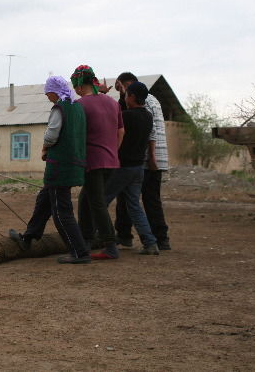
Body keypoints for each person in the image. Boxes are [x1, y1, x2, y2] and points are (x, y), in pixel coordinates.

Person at [10, 76, 90, 264]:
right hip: (73, 163)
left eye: (47, 92)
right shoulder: (78, 107)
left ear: (54, 90)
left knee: (62, 212)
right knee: (44, 200)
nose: (47, 96)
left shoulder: (59, 108)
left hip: (60, 166)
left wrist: (45, 147)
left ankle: (79, 252)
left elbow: (52, 134)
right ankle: (28, 238)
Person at [72, 65, 124, 260]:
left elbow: (76, 136)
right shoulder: (112, 103)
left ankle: (110, 245)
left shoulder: (80, 105)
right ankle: (85, 240)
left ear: (78, 86)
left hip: (93, 161)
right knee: (86, 199)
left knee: (97, 203)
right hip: (111, 160)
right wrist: (112, 151)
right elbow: (121, 132)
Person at [114, 72, 171, 250]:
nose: (123, 94)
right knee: (130, 199)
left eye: (123, 89)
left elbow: (150, 130)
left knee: (146, 199)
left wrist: (151, 157)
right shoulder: (151, 99)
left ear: (128, 86)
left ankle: (159, 239)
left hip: (147, 158)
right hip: (148, 157)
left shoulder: (147, 103)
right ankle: (127, 235)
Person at [104, 82, 159, 255]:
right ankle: (150, 242)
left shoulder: (127, 117)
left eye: (127, 94)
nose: (125, 97)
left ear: (133, 97)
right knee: (134, 206)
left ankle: (97, 238)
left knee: (99, 201)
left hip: (122, 168)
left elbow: (114, 116)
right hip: (138, 169)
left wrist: (104, 95)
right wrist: (121, 95)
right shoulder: (148, 117)